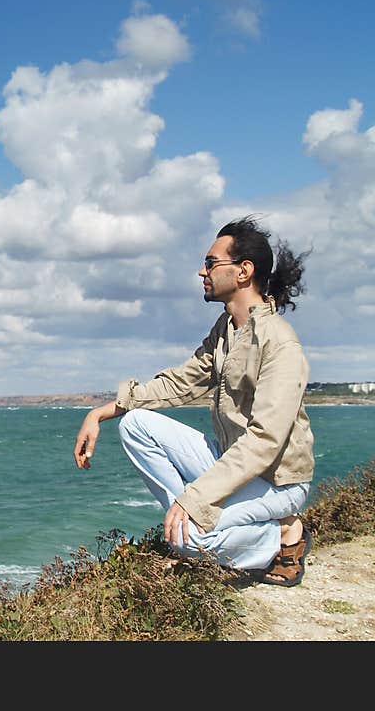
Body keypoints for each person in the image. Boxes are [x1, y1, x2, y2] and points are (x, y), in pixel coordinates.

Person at [73, 215, 315, 586]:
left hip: (277, 484)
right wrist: (103, 411)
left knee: (192, 536)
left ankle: (283, 535)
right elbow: (180, 382)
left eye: (210, 263)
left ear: (243, 271)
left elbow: (265, 442)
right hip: (235, 468)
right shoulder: (226, 331)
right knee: (136, 424)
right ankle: (186, 530)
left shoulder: (279, 342)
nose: (202, 272)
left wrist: (195, 500)